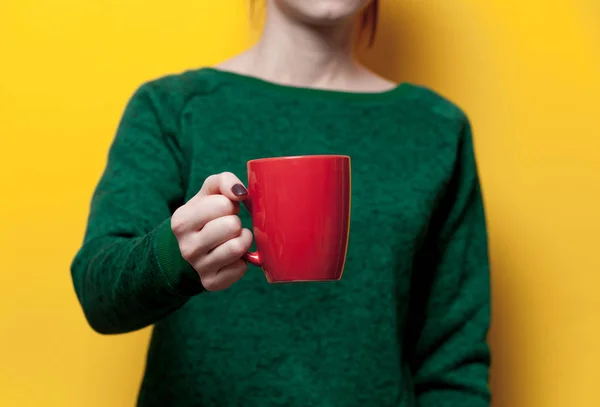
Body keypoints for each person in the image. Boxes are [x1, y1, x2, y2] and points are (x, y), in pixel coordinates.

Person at [70, 0, 491, 406]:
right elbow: (98, 292)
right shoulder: (173, 107)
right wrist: (174, 254)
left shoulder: (437, 128)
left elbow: (454, 360)